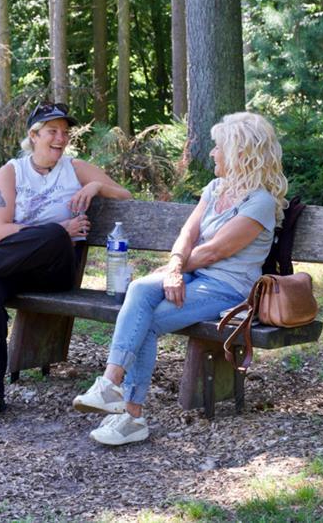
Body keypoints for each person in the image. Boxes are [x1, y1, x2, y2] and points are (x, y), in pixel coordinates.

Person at [71, 112, 288, 445]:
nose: (213, 154)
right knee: (141, 289)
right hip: (194, 274)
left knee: (148, 319)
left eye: (218, 148)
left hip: (228, 290)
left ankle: (130, 415)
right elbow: (189, 232)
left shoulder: (259, 202)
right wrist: (174, 264)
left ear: (241, 153)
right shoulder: (216, 188)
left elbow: (215, 251)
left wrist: (175, 270)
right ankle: (112, 387)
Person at [0, 102, 131, 425]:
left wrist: (95, 186)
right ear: (34, 135)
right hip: (12, 266)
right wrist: (58, 229)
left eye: (65, 132)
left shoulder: (75, 168)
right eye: (52, 131)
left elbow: (125, 194)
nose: (60, 138)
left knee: (54, 236)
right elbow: (0, 231)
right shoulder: (11, 172)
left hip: (56, 268)